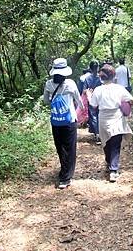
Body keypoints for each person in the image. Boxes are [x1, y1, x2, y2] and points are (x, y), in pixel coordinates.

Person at [89, 64, 133, 182]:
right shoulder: (119, 88)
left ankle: (111, 164)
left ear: (102, 78)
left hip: (103, 119)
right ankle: (113, 170)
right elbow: (131, 99)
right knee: (115, 144)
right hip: (117, 118)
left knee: (106, 143)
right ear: (114, 76)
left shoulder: (98, 90)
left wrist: (89, 96)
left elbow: (93, 106)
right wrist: (125, 104)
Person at [43, 58, 83, 189]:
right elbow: (79, 100)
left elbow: (46, 101)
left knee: (60, 146)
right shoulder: (70, 84)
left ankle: (64, 170)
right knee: (70, 147)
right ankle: (66, 177)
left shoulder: (49, 84)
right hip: (69, 120)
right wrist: (81, 109)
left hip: (56, 120)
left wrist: (56, 101)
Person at [83, 60, 102, 144]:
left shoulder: (87, 78)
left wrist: (89, 91)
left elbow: (84, 91)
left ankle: (97, 134)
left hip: (91, 99)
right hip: (101, 99)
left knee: (93, 116)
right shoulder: (101, 77)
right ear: (98, 68)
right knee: (100, 115)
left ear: (90, 68)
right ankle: (101, 134)